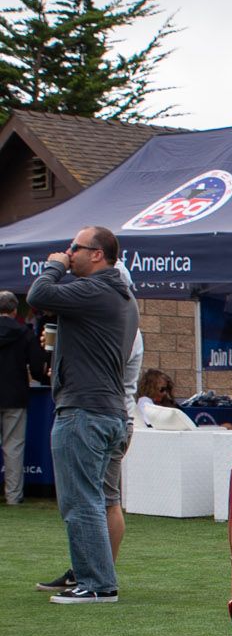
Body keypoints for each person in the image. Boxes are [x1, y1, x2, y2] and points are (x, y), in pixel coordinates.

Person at [25, 225, 139, 604]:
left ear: (97, 255)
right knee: (99, 499)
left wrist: (53, 267)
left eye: (76, 247)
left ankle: (97, 584)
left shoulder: (96, 289)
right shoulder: (117, 295)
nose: (67, 252)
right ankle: (92, 576)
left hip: (86, 412)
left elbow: (38, 294)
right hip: (107, 411)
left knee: (82, 500)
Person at [0, 290, 46, 505]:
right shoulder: (24, 333)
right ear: (14, 309)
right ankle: (13, 496)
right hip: (15, 395)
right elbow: (37, 368)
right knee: (14, 447)